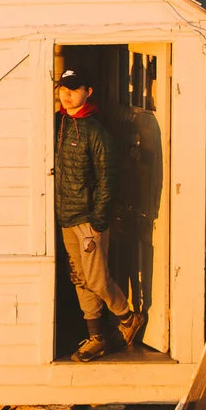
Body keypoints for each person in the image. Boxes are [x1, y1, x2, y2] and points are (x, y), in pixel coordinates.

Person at [54, 67, 143, 360]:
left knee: (96, 279)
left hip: (87, 219)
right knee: (80, 278)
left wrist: (99, 219)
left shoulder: (95, 131)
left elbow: (108, 176)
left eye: (74, 89)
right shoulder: (58, 124)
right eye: (63, 89)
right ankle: (96, 337)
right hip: (66, 216)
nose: (67, 95)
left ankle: (127, 318)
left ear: (88, 92)